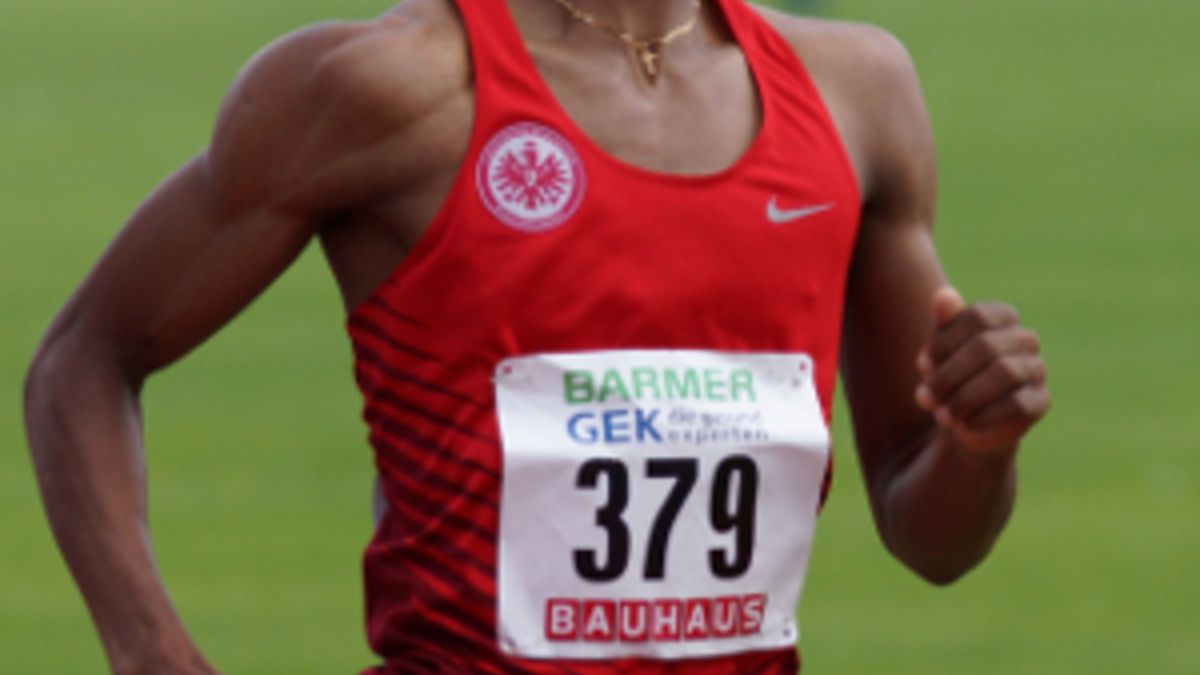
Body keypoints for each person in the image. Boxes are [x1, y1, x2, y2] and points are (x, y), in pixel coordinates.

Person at [23, 0, 1050, 673]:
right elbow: (85, 357)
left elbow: (932, 536)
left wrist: (978, 446)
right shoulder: (390, 86)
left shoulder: (856, 93)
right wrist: (149, 648)